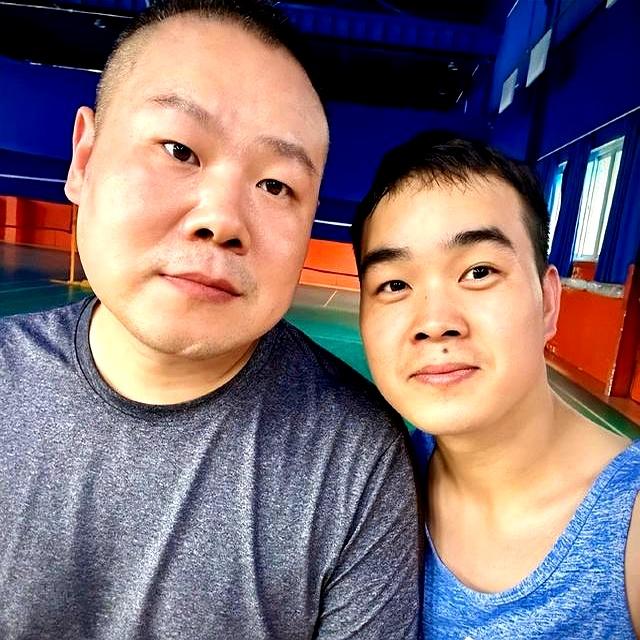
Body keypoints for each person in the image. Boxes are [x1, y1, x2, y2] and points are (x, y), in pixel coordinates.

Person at [0, 2, 421, 637]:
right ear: (84, 158)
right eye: (180, 149)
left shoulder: (353, 464)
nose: (222, 219)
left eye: (276, 186)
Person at [351, 131, 640, 639]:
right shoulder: (364, 489)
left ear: (548, 302)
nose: (434, 322)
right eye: (394, 284)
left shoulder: (628, 525)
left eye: (479, 271)